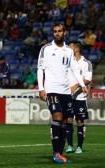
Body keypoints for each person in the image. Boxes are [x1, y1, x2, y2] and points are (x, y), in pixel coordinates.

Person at [37, 23, 88, 163]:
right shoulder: (46, 49)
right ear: (53, 33)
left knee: (66, 121)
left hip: (66, 91)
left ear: (64, 33)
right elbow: (40, 69)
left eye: (60, 31)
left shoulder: (69, 51)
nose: (57, 33)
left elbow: (75, 70)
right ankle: (55, 153)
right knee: (57, 116)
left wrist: (83, 85)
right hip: (52, 89)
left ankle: (59, 153)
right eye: (55, 31)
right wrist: (41, 88)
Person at [66, 40, 93, 154]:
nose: (68, 48)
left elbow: (88, 79)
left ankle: (79, 146)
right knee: (68, 120)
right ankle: (70, 146)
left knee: (79, 121)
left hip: (80, 97)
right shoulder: (67, 62)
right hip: (68, 96)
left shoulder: (86, 63)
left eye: (70, 47)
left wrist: (76, 85)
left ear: (76, 49)